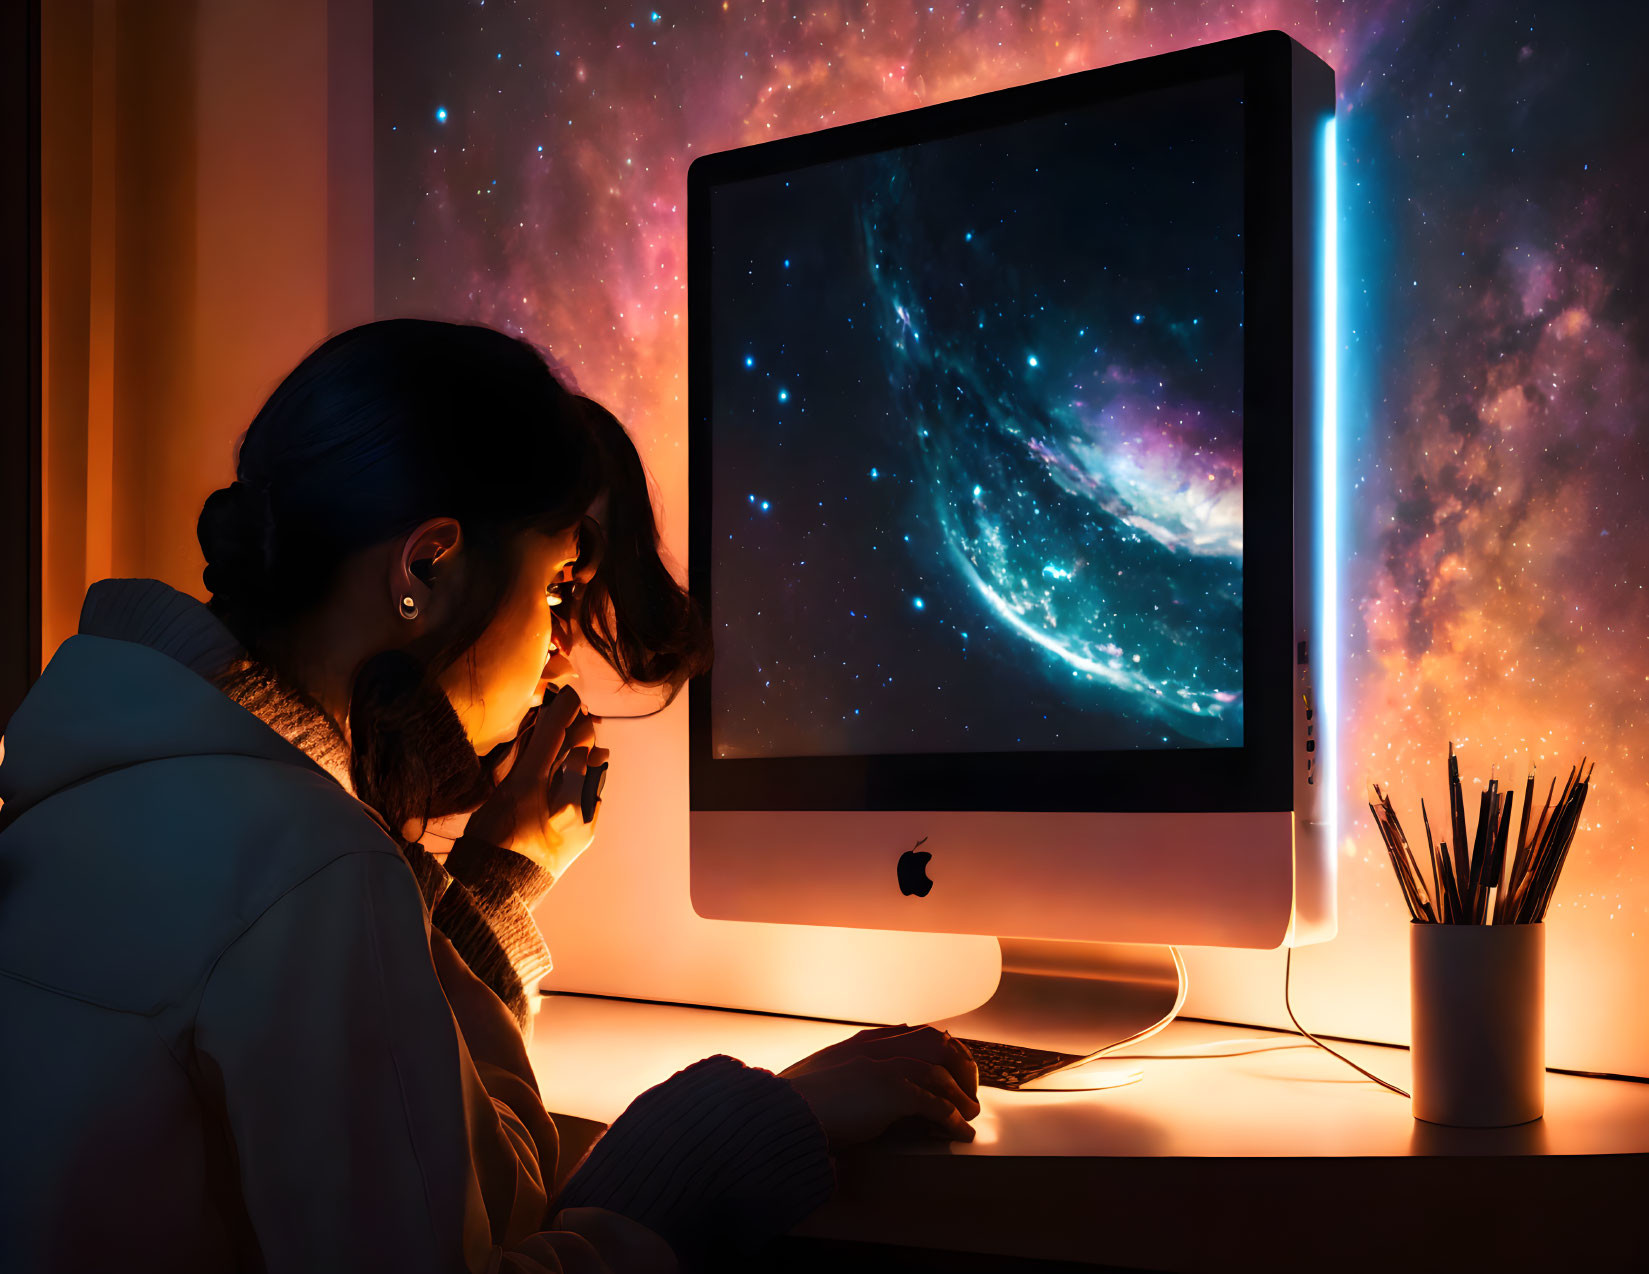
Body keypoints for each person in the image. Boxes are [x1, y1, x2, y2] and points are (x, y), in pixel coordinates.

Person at [0, 320, 979, 1274]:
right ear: (426, 565)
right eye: (556, 586)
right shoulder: (315, 866)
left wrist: (492, 888)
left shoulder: (97, 777)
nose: (561, 648)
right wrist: (744, 1129)